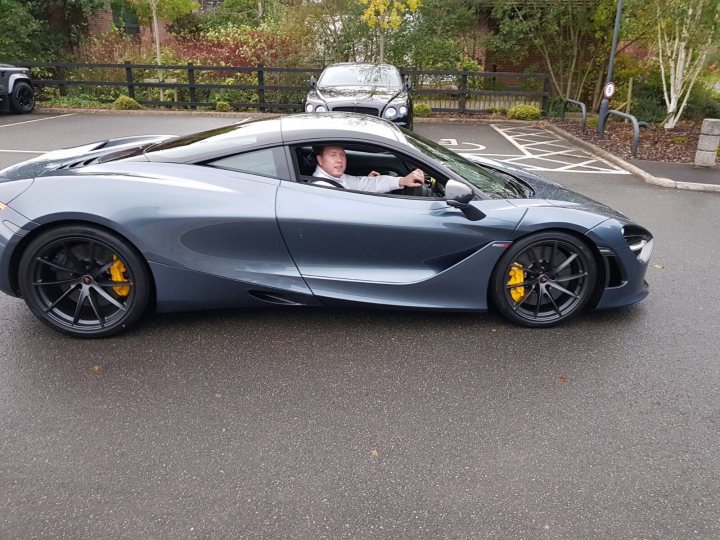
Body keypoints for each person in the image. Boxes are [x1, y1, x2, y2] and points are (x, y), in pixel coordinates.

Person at [312, 145, 425, 193]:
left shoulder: (337, 178)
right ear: (320, 159)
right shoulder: (323, 188)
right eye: (333, 155)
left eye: (342, 155)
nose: (339, 160)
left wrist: (402, 181)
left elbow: (364, 183)